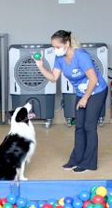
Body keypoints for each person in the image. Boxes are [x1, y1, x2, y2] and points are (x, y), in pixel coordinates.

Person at [34, 30, 108, 173]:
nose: (55, 50)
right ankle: (76, 159)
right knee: (79, 127)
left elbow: (93, 79)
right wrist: (40, 66)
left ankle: (89, 163)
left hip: (97, 91)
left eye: (57, 47)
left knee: (89, 127)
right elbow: (54, 77)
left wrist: (85, 98)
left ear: (67, 44)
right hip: (82, 93)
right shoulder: (60, 58)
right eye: (53, 47)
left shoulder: (81, 56)